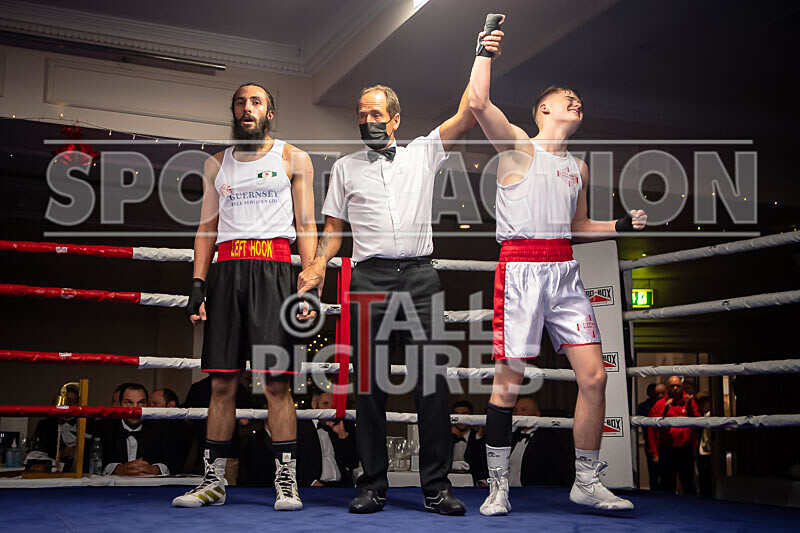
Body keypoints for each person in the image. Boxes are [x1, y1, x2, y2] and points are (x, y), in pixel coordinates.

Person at [467, 15, 646, 515]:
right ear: (544, 108)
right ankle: (497, 486)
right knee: (509, 382)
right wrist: (484, 51)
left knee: (595, 378)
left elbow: (579, 226)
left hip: (564, 269)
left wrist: (620, 226)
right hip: (521, 269)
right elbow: (478, 103)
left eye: (580, 99)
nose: (577, 101)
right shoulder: (517, 146)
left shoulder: (578, 167)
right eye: (568, 97)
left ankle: (586, 480)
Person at [298, 77, 479, 514]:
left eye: (375, 113)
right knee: (370, 386)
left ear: (395, 119)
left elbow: (467, 113)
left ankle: (436, 487)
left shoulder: (423, 152)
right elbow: (333, 230)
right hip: (369, 278)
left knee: (432, 384)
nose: (367, 120)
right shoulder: (345, 168)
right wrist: (318, 264)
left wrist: (483, 57)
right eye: (361, 114)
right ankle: (372, 485)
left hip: (419, 277)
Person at [172, 82, 317, 510]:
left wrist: (309, 286)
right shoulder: (216, 164)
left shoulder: (293, 157)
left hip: (275, 271)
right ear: (234, 112)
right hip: (227, 271)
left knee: (277, 381)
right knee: (221, 382)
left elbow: (306, 225)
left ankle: (287, 480)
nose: (246, 108)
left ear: (269, 113)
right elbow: (206, 229)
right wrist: (197, 283)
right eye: (240, 103)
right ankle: (213, 481)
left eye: (256, 102)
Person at [98, 383, 184, 476]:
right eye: (129, 402)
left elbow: (174, 463)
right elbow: (92, 461)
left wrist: (155, 469)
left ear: (147, 405)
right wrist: (116, 469)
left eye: (141, 403)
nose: (135, 409)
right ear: (120, 404)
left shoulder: (161, 428)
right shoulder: (103, 427)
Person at [648, 376, 700, 494]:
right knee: (667, 484)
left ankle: (691, 505)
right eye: (672, 386)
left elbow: (698, 425)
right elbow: (652, 429)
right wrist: (654, 453)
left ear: (682, 387)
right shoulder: (660, 404)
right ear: (668, 388)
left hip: (685, 449)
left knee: (688, 484)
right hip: (667, 449)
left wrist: (689, 407)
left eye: (677, 386)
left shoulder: (690, 402)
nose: (675, 388)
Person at [508, 397, 574, 487]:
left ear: (537, 415)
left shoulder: (550, 439)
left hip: (534, 491)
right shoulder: (509, 436)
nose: (517, 413)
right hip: (507, 489)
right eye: (515, 410)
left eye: (523, 410)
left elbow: (557, 471)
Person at [637, 382, 666, 489]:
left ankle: (666, 494)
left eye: (661, 393)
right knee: (653, 471)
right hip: (649, 441)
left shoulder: (667, 405)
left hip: (665, 442)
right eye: (656, 393)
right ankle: (655, 493)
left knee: (666, 473)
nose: (658, 395)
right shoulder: (643, 407)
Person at [451, 400, 488, 485]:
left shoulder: (480, 439)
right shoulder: (446, 438)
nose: (460, 419)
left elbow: (482, 467)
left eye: (464, 414)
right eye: (457, 415)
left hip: (472, 487)